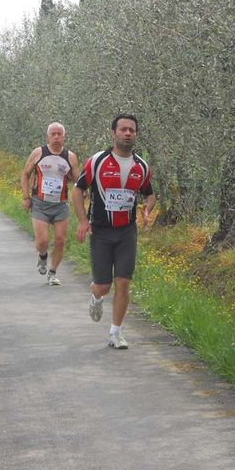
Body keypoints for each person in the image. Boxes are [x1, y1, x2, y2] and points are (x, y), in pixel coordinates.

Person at [72, 114, 156, 349]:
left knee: (123, 282)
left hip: (127, 232)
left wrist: (148, 209)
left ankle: (115, 333)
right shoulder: (97, 161)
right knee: (104, 285)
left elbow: (150, 194)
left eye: (132, 130)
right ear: (113, 133)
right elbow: (77, 190)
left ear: (136, 134)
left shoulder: (142, 166)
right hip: (100, 231)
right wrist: (82, 221)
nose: (128, 133)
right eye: (123, 129)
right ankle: (96, 296)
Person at [21, 122, 79, 285]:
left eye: (59, 134)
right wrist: (26, 197)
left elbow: (78, 182)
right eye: (53, 134)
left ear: (64, 137)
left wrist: (82, 198)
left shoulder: (70, 157)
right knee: (42, 241)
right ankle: (42, 256)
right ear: (47, 136)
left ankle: (52, 273)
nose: (56, 137)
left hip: (60, 205)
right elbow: (25, 175)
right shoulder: (39, 153)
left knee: (60, 240)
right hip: (40, 203)